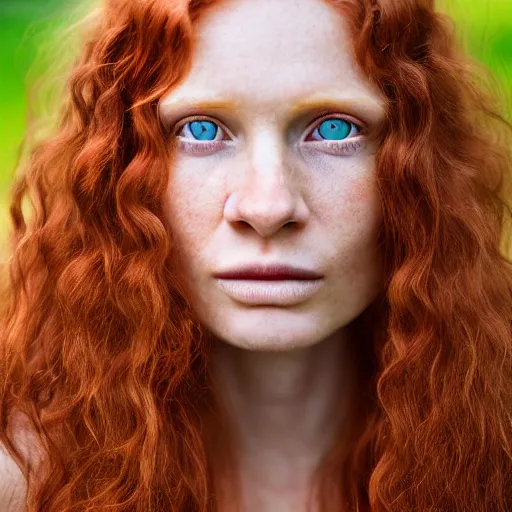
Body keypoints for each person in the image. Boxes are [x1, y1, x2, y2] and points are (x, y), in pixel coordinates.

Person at [1, 0, 512, 510]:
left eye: (334, 129)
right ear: (116, 170)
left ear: (422, 175)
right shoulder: (24, 480)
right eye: (201, 129)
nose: (267, 207)